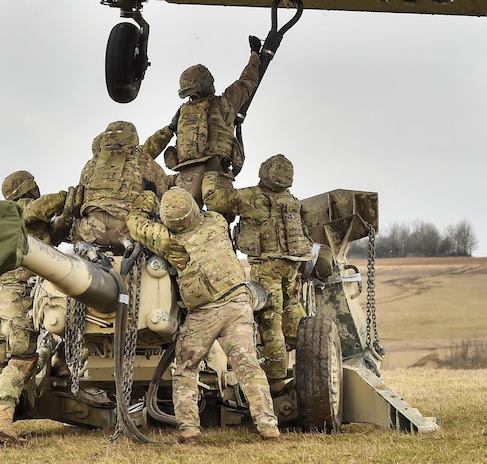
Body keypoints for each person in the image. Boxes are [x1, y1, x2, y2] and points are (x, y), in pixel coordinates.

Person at [126, 187, 280, 443]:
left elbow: (135, 224)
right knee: (248, 365)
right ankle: (268, 426)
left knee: (186, 369)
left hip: (204, 314)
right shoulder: (216, 222)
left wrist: (148, 197)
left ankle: (189, 429)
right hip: (238, 304)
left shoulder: (170, 241)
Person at [0, 170, 69, 445]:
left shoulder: (2, 223)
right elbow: (45, 206)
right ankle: (2, 421)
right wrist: (71, 195)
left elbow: (52, 236)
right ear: (30, 189)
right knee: (22, 360)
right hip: (20, 299)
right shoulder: (23, 210)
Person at [203, 154, 312, 391]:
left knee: (270, 319)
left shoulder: (252, 197)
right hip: (292, 264)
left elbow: (214, 200)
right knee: (292, 307)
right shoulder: (292, 201)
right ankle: (304, 358)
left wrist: (211, 174)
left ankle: (276, 380)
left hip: (268, 266)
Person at [143, 38, 263, 207]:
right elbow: (247, 82)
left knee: (183, 219)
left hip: (187, 177)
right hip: (216, 174)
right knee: (219, 221)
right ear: (208, 85)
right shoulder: (224, 104)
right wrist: (255, 56)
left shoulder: (183, 112)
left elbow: (160, 140)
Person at [73, 120, 169, 251]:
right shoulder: (143, 160)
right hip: (128, 231)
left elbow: (79, 196)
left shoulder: (91, 165)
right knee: (151, 198)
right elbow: (165, 196)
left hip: (90, 230)